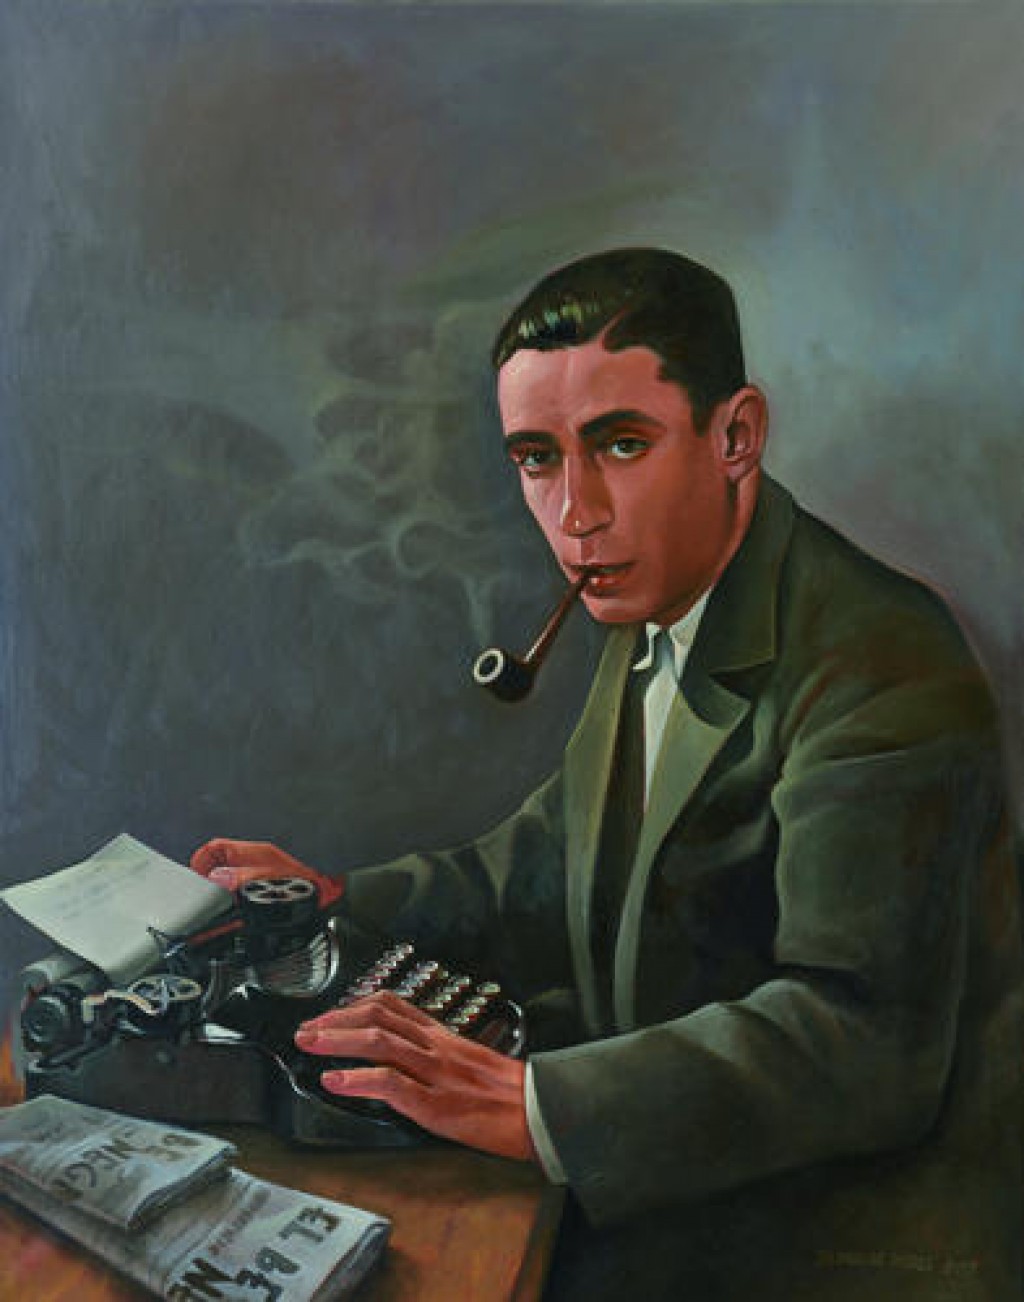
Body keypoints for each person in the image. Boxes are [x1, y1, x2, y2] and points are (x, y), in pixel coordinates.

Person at [190, 249, 1021, 1301]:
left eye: (621, 444)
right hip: (687, 1193)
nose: (576, 511)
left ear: (736, 436)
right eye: (537, 459)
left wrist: (535, 1104)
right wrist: (339, 897)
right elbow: (549, 858)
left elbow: (860, 1040)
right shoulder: (660, 598)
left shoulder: (879, 658)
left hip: (834, 1242)